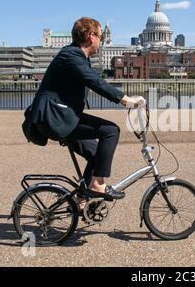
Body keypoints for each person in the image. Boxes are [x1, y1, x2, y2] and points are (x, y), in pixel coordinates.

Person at [33, 17, 145, 201]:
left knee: (97, 155)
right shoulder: (71, 56)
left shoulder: (78, 57)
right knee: (110, 131)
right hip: (56, 119)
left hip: (62, 117)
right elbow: (95, 82)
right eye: (100, 37)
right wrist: (126, 100)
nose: (101, 41)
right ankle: (98, 185)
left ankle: (81, 201)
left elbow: (91, 81)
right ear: (91, 36)